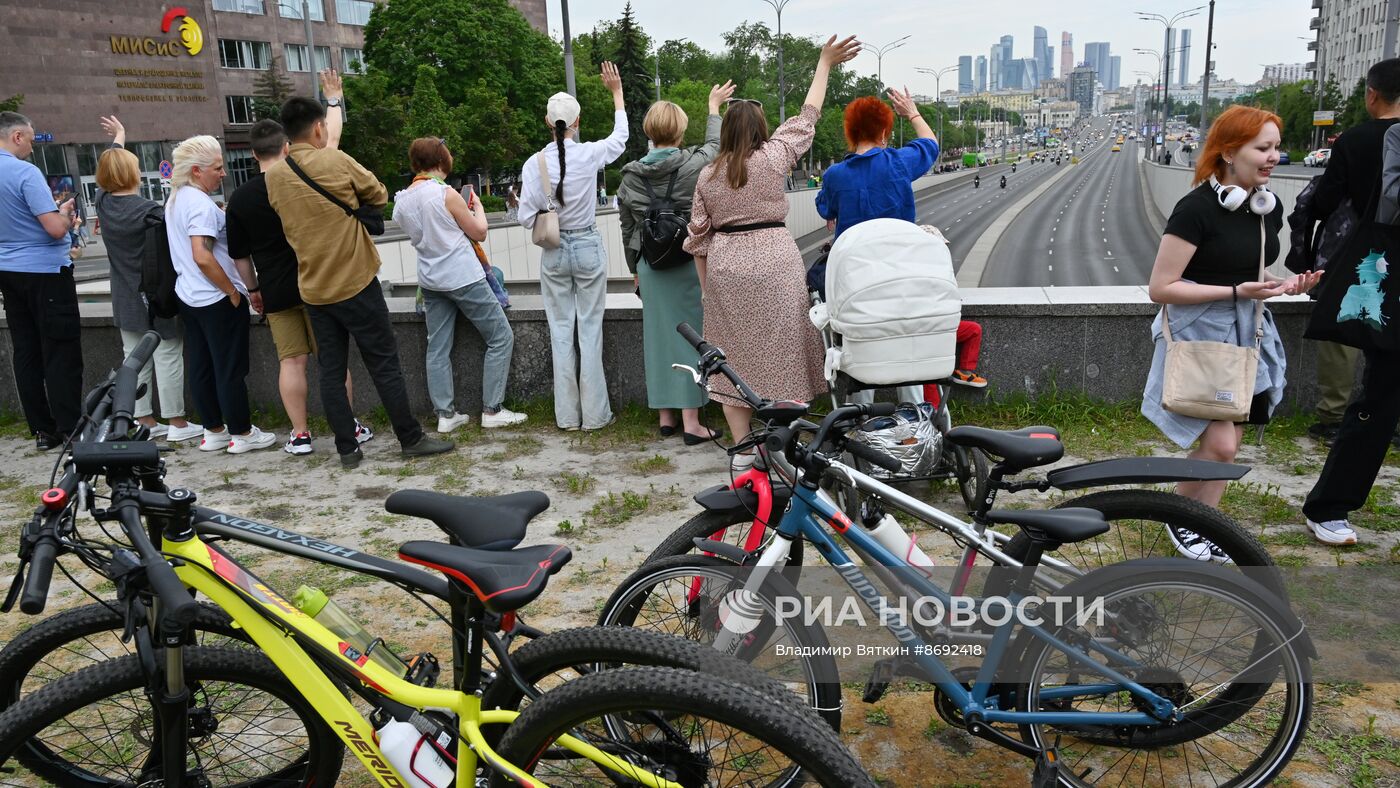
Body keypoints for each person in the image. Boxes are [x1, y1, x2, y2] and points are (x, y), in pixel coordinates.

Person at [1141, 105, 1322, 558]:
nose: (1273, 157)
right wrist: (1236, 290)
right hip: (1202, 333)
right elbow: (1160, 288)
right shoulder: (1196, 209)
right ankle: (1185, 521)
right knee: (1221, 444)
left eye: (1276, 147)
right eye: (1263, 148)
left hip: (1250, 330)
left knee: (1229, 443)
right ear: (1227, 152)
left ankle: (1203, 523)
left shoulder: (1266, 206)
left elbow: (1254, 274)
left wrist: (1285, 285)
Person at [685, 35, 862, 470]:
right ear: (762, 130)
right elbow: (810, 113)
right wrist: (823, 63)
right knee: (784, 355)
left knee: (734, 364)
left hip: (728, 269)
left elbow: (698, 240)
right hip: (776, 262)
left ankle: (745, 451)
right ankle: (783, 447)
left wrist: (709, 292)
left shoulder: (707, 176)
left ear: (725, 132)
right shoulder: (775, 157)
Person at [266, 96, 453, 468]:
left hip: (314, 289)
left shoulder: (274, 177)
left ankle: (347, 449)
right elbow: (378, 193)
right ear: (319, 127)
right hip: (356, 280)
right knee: (383, 363)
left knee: (331, 372)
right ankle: (410, 438)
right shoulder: (335, 160)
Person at [227, 88, 374, 457]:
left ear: (252, 153)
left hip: (275, 291)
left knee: (291, 361)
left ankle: (300, 434)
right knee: (332, 359)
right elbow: (334, 141)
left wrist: (253, 290)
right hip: (316, 282)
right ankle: (349, 425)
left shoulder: (241, 199)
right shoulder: (293, 179)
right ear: (287, 146)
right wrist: (335, 100)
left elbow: (240, 255)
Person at [1302, 58, 1400, 546]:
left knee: (1376, 400)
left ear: (1372, 94)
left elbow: (1321, 203)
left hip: (1381, 274)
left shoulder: (1358, 142)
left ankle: (1331, 508)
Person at [617, 81, 735, 443]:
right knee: (691, 336)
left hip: (649, 265)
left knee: (658, 337)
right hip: (686, 258)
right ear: (681, 131)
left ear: (649, 132)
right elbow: (717, 147)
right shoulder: (691, 165)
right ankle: (692, 423)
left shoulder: (630, 176)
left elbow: (627, 228)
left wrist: (634, 269)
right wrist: (713, 107)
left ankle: (666, 416)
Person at [517, 62, 628, 431]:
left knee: (560, 330)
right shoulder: (589, 154)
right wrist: (616, 94)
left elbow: (524, 216)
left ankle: (567, 416)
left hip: (553, 250)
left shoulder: (534, 164)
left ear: (548, 123)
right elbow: (620, 139)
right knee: (589, 328)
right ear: (576, 122)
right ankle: (596, 416)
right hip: (587, 246)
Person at [810, 87, 939, 405]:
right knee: (905, 345)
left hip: (856, 283)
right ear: (884, 131)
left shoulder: (836, 175)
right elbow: (931, 145)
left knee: (859, 346)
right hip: (899, 277)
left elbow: (825, 209)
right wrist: (912, 112)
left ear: (850, 133)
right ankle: (914, 419)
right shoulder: (899, 163)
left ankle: (859, 421)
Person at [395, 137, 527, 432]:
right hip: (463, 277)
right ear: (441, 161)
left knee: (437, 347)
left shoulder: (402, 200)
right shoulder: (445, 194)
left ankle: (445, 415)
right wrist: (477, 206)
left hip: (430, 280)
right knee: (500, 337)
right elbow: (479, 232)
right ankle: (492, 410)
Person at [165, 135, 278, 454]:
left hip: (188, 295)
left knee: (201, 365)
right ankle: (241, 432)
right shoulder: (200, 205)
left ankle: (214, 429)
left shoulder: (176, 199)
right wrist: (231, 291)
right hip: (216, 297)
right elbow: (202, 254)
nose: (223, 173)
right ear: (198, 171)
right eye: (217, 168)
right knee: (230, 367)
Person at [92, 115, 201, 442]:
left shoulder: (103, 204)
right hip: (156, 298)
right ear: (132, 173)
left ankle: (143, 419)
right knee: (167, 354)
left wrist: (119, 137)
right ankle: (177, 422)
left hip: (125, 299)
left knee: (134, 359)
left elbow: (110, 169)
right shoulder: (150, 211)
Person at [0, 111, 83, 450]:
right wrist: (64, 215)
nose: (33, 148)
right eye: (31, 140)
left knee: (27, 350)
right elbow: (53, 229)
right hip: (46, 272)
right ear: (17, 136)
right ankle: (69, 428)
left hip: (8, 272)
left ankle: (42, 430)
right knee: (60, 349)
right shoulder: (24, 172)